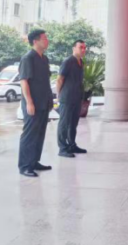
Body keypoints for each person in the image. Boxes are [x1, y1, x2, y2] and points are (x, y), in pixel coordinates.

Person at [18, 30, 54, 178]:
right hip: (32, 104)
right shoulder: (28, 58)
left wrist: (50, 100)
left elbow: (45, 82)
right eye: (45, 38)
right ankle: (25, 166)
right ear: (35, 41)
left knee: (39, 134)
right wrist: (29, 102)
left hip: (44, 102)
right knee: (29, 135)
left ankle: (34, 161)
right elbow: (23, 81)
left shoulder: (44, 59)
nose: (47, 40)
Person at [56, 40, 88, 158]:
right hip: (67, 98)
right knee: (64, 124)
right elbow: (60, 79)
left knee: (73, 124)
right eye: (81, 47)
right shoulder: (68, 61)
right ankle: (62, 148)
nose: (83, 50)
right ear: (74, 48)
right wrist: (59, 96)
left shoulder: (81, 62)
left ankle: (72, 145)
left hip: (77, 98)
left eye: (85, 47)